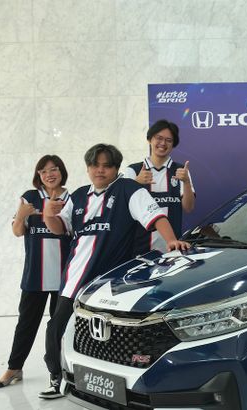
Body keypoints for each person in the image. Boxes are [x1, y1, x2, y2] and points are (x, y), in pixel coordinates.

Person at [37, 143, 191, 399]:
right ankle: (56, 377)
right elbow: (59, 228)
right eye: (95, 165)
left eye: (107, 165)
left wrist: (172, 240)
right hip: (74, 278)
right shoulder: (77, 196)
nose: (100, 170)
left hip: (110, 282)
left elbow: (156, 217)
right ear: (87, 168)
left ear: (116, 168)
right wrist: (48, 216)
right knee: (57, 328)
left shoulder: (128, 189)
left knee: (108, 335)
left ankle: (112, 384)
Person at [0, 155, 71, 389]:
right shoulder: (29, 197)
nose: (49, 174)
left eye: (53, 169)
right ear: (38, 175)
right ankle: (14, 368)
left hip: (64, 277)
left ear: (61, 171)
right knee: (26, 324)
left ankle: (59, 371)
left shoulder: (72, 198)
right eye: (43, 171)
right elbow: (18, 232)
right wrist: (21, 215)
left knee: (59, 328)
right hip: (35, 276)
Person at [121, 119, 195, 254]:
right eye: (159, 138)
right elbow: (122, 210)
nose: (163, 143)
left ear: (173, 144)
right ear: (149, 139)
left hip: (172, 248)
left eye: (168, 140)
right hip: (138, 249)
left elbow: (188, 208)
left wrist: (186, 182)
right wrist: (135, 183)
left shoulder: (181, 170)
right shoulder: (133, 170)